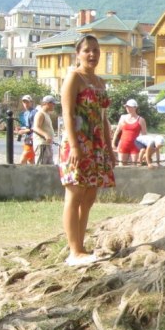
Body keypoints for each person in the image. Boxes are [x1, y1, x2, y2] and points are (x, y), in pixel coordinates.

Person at [57, 35, 116, 266]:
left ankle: (80, 246)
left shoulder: (100, 82)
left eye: (96, 50)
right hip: (77, 143)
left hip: (97, 144)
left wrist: (109, 148)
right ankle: (74, 251)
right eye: (87, 50)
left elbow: (103, 118)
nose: (92, 55)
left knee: (89, 195)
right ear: (78, 53)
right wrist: (74, 145)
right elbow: (67, 114)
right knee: (74, 194)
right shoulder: (74, 77)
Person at [113, 98, 147, 165]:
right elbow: (117, 131)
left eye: (129, 107)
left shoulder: (141, 120)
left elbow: (144, 136)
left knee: (134, 167)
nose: (127, 108)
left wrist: (144, 149)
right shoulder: (122, 117)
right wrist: (113, 143)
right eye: (126, 106)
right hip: (123, 145)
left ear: (135, 108)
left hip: (135, 146)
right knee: (121, 166)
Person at [32, 95, 57, 165]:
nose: (54, 106)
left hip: (47, 145)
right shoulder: (40, 114)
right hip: (41, 144)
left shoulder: (46, 114)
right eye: (53, 104)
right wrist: (46, 135)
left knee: (50, 167)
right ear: (47, 103)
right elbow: (36, 127)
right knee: (41, 167)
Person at [16, 95, 38, 165]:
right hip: (27, 139)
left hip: (32, 138)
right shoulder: (25, 113)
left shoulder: (35, 112)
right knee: (31, 161)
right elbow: (26, 126)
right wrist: (20, 129)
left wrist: (23, 131)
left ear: (31, 102)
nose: (26, 104)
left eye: (27, 102)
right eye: (24, 102)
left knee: (23, 160)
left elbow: (35, 128)